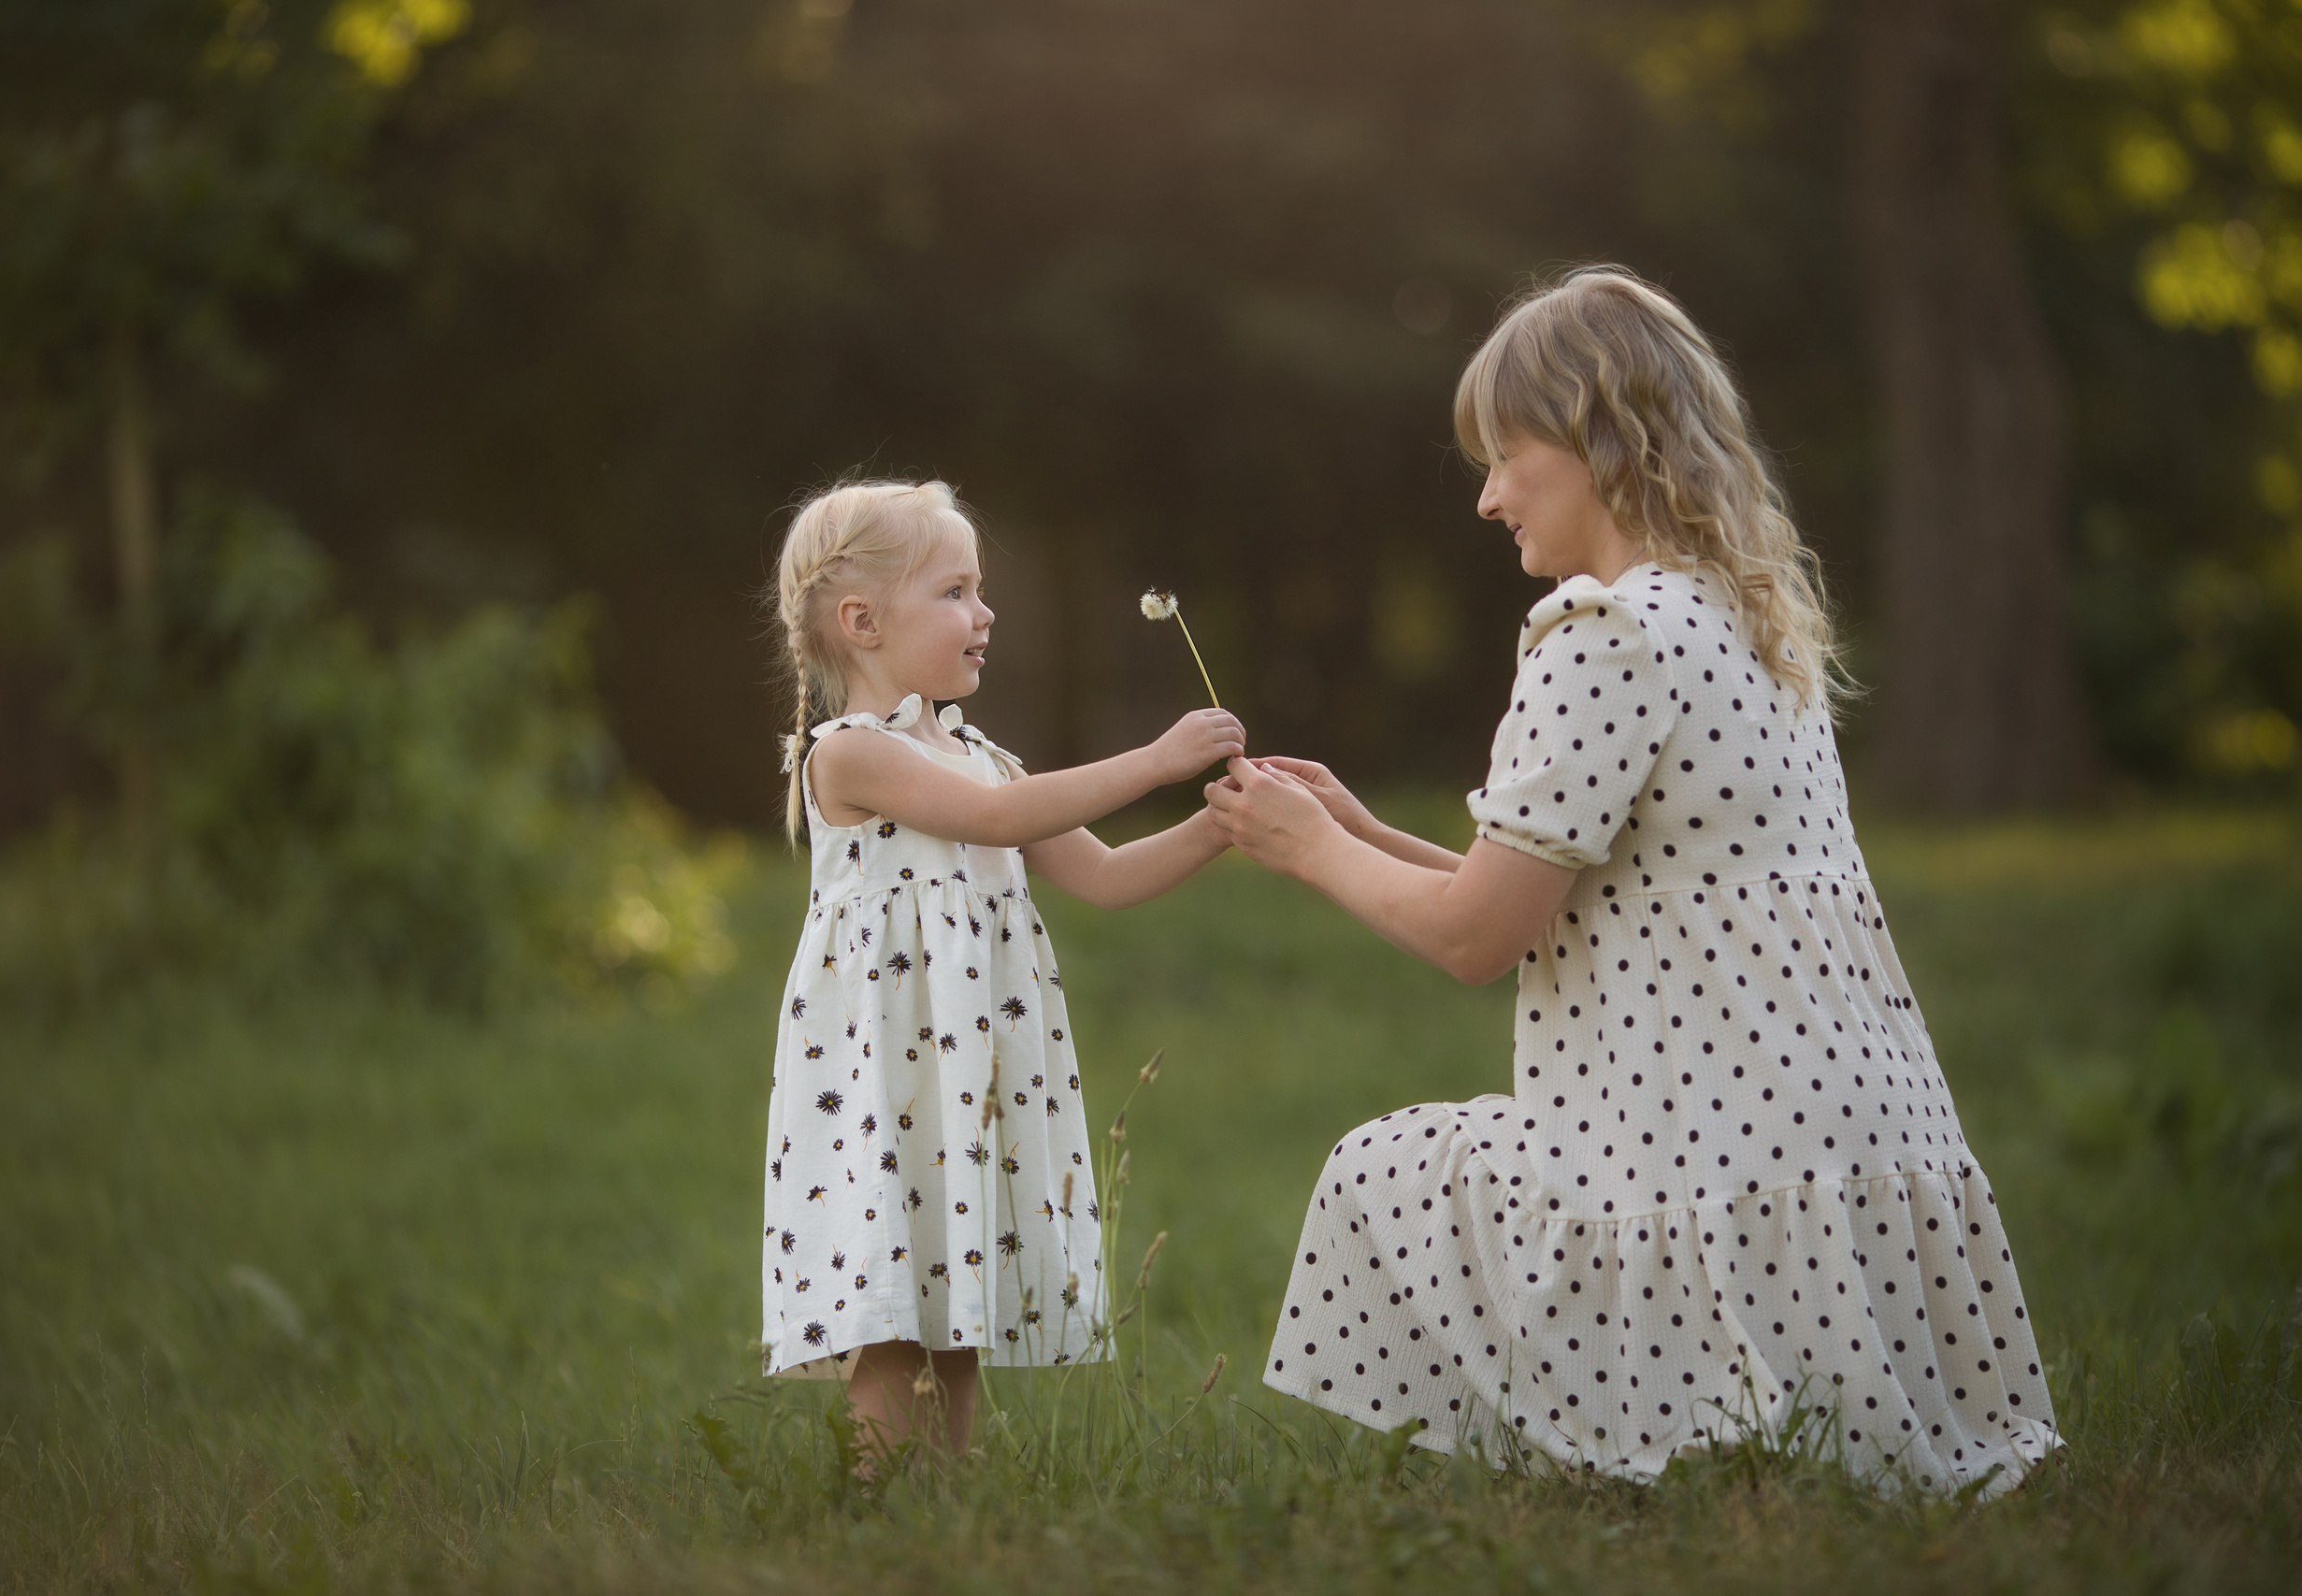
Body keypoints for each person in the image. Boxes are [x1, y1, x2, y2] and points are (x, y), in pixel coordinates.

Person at [1205, 267, 2064, 1493]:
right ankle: (1685, 1455)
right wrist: (1356, 826)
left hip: (1696, 1144)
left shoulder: (1599, 634)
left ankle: (1595, 1461)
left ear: (1603, 439)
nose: (1491, 496)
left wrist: (1304, 848)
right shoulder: (1748, 621)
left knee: (1383, 1170)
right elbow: (1591, 897)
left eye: (1509, 456)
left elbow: (1477, 940)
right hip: (1850, 1130)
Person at [762, 479, 1244, 1464]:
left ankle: (944, 1507)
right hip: (893, 1076)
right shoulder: (848, 755)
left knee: (958, 1297)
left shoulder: (987, 756)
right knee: (899, 1313)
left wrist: (1219, 824)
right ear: (861, 622)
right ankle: (884, 1513)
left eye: (979, 591)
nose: (984, 614)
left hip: (973, 1073)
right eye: (954, 592)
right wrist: (1155, 761)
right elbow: (990, 824)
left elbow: (1102, 876)